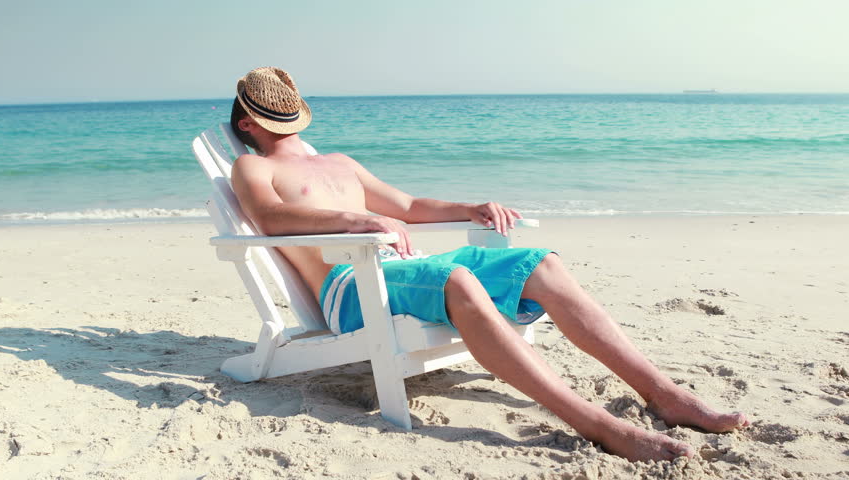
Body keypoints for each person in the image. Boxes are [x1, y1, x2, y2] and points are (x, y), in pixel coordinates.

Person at [228, 66, 749, 463]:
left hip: (403, 268)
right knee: (455, 278)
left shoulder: (338, 163)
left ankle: (667, 395)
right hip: (353, 286)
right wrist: (352, 220)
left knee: (539, 264)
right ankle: (595, 423)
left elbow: (408, 208)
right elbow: (270, 218)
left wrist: (469, 208)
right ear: (248, 122)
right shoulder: (251, 165)